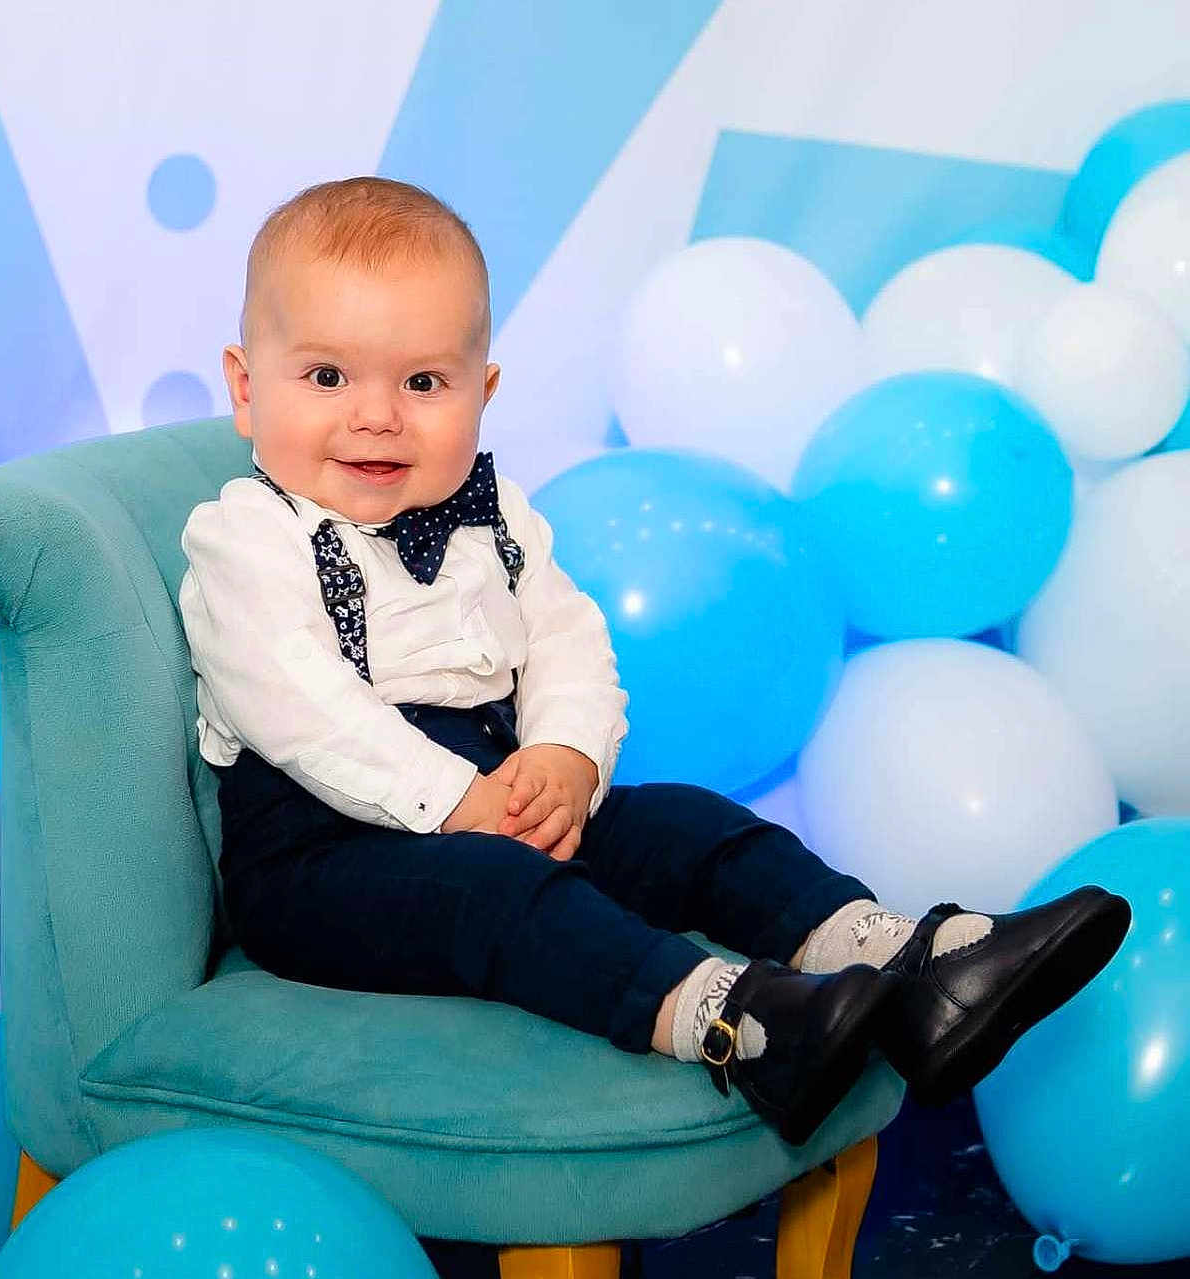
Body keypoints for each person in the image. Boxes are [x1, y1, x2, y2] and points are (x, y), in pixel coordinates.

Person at [177, 176, 1130, 1148]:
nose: (376, 415)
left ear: (482, 392)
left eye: (422, 383)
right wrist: (456, 806)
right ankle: (740, 1024)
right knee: (495, 896)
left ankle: (910, 966)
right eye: (328, 377)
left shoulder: (493, 517)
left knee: (692, 821)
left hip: (501, 790)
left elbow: (566, 639)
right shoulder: (245, 540)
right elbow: (301, 708)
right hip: (324, 859)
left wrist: (564, 756)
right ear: (248, 389)